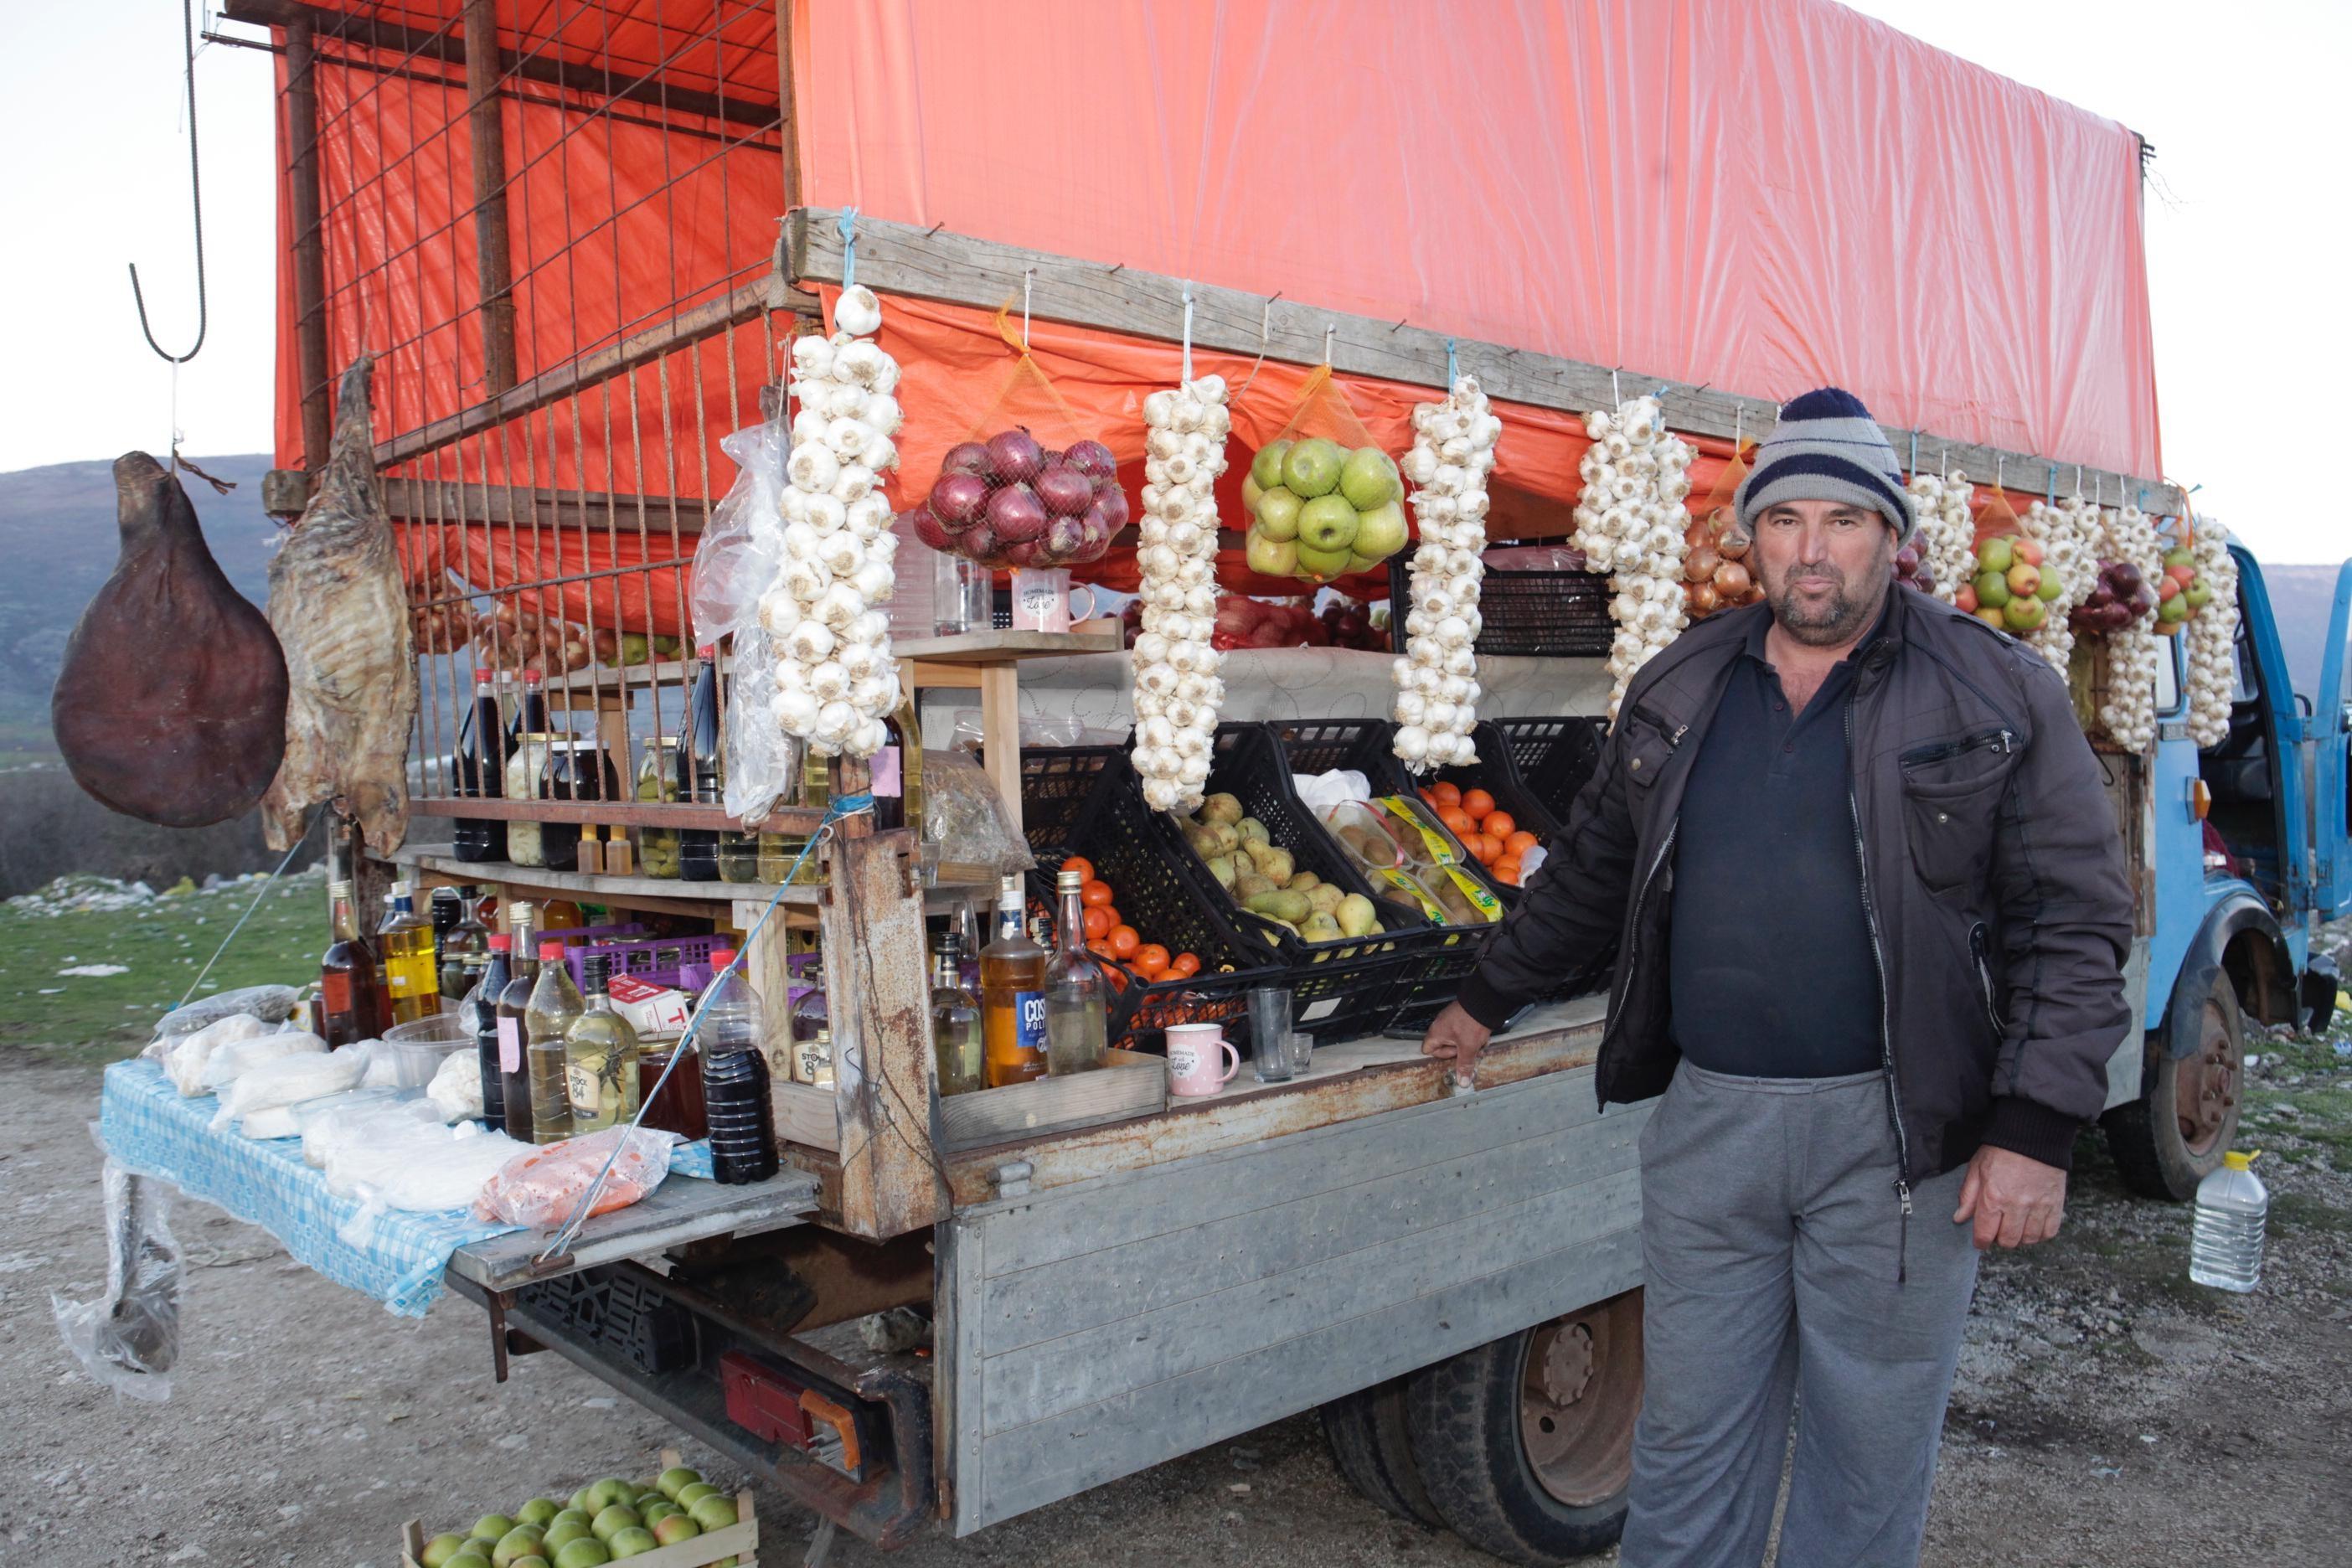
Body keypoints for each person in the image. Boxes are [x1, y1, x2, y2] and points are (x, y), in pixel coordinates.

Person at [1420, 387, 2133, 1568]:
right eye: (1785, 519)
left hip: (1902, 1139)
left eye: (1844, 520)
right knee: (1692, 1440)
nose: (1813, 551)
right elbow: (1595, 867)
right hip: (1715, 1126)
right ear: (1748, 538)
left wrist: (2040, 1128)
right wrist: (1486, 995)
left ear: (1891, 537)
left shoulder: (1998, 690)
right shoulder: (1681, 684)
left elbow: (2074, 920)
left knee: (1867, 1451)